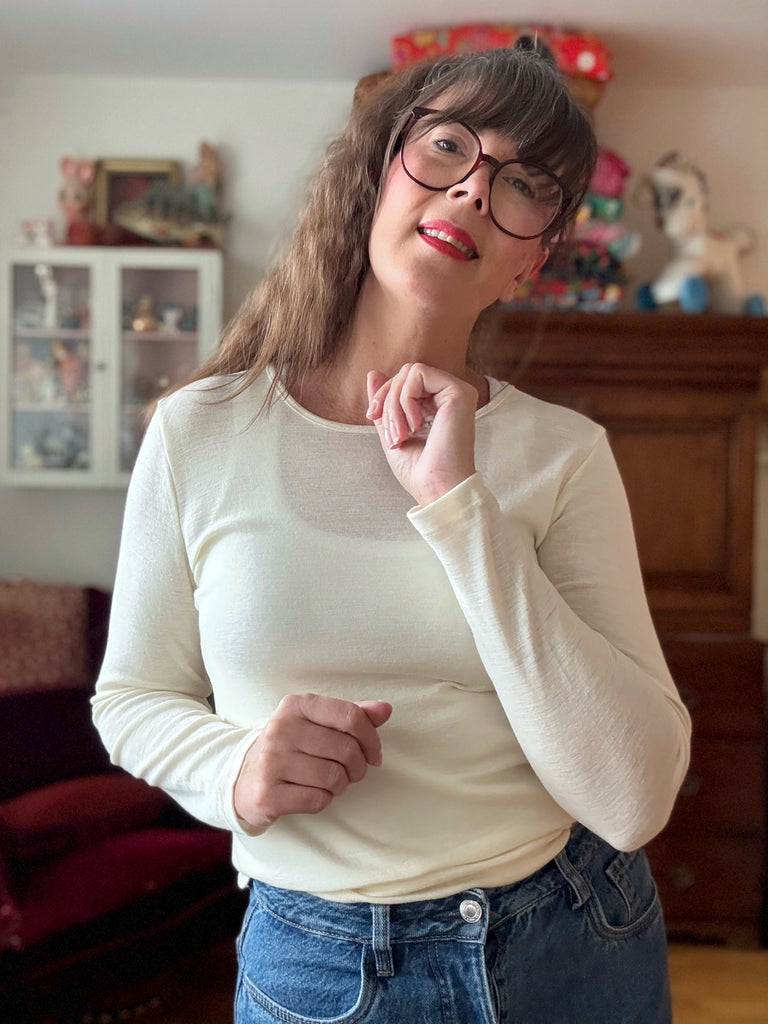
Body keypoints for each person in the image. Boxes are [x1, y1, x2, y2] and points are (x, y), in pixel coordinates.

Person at [92, 42, 691, 1024]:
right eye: (449, 145)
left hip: (573, 939)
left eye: (523, 184)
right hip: (318, 966)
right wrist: (233, 769)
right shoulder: (199, 432)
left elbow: (633, 800)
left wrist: (459, 507)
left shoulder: (565, 455)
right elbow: (131, 698)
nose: (472, 190)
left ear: (533, 260)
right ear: (380, 170)